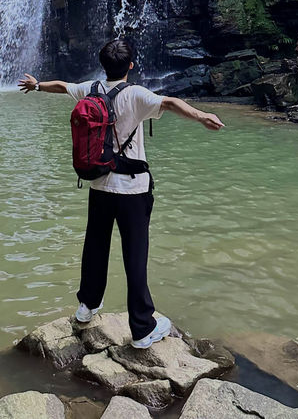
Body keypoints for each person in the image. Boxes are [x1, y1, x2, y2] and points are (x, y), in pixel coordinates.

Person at [18, 38, 225, 349]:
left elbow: (62, 86)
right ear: (130, 66)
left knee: (95, 246)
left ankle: (87, 307)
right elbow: (169, 102)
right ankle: (142, 328)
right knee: (135, 256)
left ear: (104, 66)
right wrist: (200, 117)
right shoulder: (137, 95)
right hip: (133, 189)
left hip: (100, 185)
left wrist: (36, 86)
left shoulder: (91, 89)